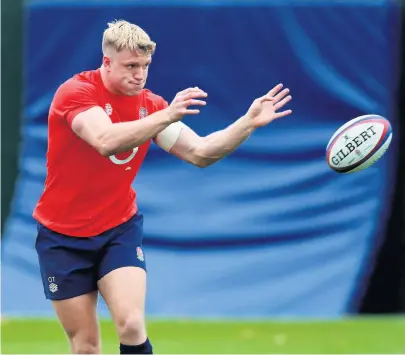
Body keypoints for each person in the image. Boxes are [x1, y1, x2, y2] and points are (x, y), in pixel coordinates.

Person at [33, 19, 292, 355]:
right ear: (106, 62)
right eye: (130, 66)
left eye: (144, 66)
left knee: (131, 324)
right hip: (62, 237)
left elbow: (200, 153)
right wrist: (167, 116)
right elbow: (105, 139)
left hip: (117, 230)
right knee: (86, 347)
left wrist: (248, 122)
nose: (139, 74)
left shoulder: (150, 105)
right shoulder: (77, 92)